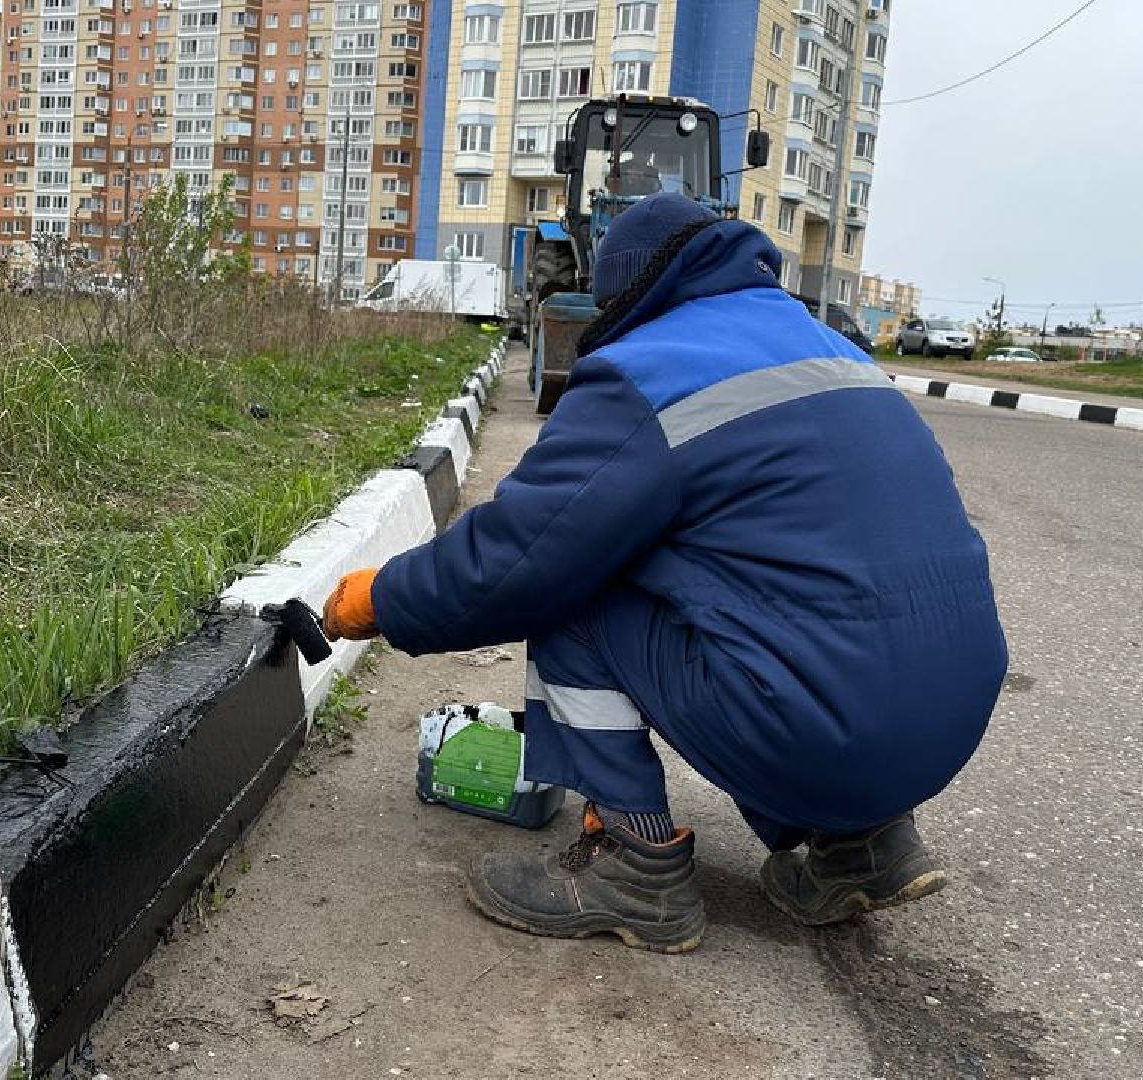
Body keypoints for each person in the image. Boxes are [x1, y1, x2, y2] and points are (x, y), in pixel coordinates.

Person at [322, 192, 1007, 954]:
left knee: (573, 589)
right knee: (793, 595)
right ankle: (863, 847)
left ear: (621, 298)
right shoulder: (835, 349)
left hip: (828, 730)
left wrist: (378, 598)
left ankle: (633, 863)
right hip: (948, 723)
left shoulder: (646, 371)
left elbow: (520, 556)